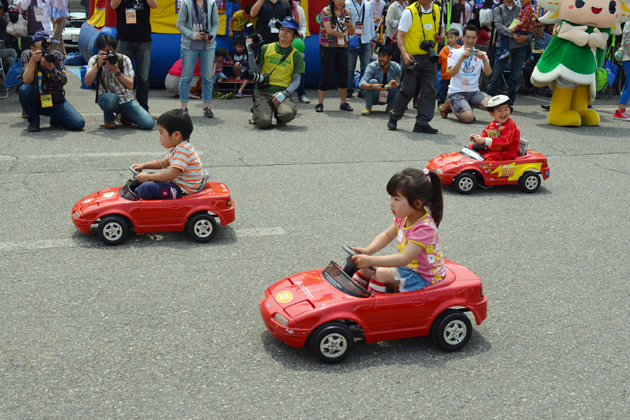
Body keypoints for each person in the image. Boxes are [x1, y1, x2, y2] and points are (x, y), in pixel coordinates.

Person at [350, 167, 445, 295]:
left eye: (396, 199)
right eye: (391, 198)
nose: (391, 203)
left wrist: (371, 260)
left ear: (417, 203)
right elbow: (386, 236)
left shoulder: (424, 228)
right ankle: (350, 297)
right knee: (365, 269)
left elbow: (403, 258)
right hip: (408, 269)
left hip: (424, 278)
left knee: (380, 274)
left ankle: (372, 309)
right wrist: (368, 251)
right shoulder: (404, 218)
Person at [387, 0, 445, 133]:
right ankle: (394, 117)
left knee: (429, 89)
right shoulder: (409, 12)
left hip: (430, 55)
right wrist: (405, 54)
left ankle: (422, 123)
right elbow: (400, 36)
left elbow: (441, 27)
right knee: (407, 89)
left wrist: (441, 36)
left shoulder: (437, 10)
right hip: (411, 56)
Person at [84, 35, 155, 130]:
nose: (107, 54)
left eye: (109, 51)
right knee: (111, 97)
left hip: (125, 99)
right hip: (106, 98)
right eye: (103, 51)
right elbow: (87, 82)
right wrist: (98, 65)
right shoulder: (94, 60)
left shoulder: (123, 59)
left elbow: (130, 85)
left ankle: (124, 115)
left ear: (115, 49)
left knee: (149, 123)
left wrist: (116, 71)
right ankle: (109, 119)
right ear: (98, 51)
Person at [19, 31, 84, 132]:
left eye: (48, 48)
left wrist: (51, 67)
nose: (46, 51)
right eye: (42, 49)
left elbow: (63, 80)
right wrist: (33, 62)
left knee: (78, 124)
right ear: (33, 49)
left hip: (55, 100)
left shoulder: (56, 56)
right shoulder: (27, 55)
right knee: (24, 89)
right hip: (36, 100)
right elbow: (26, 81)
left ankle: (56, 118)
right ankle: (34, 121)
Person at [132, 109, 204, 200]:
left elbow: (171, 175)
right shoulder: (178, 147)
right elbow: (163, 162)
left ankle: (134, 204)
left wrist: (148, 177)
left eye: (161, 133)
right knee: (147, 177)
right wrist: (143, 165)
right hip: (177, 184)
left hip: (182, 191)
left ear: (177, 135)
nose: (159, 136)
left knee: (146, 187)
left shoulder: (183, 150)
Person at [247, 17, 305, 128]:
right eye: (282, 29)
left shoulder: (296, 55)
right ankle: (257, 111)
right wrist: (250, 52)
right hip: (263, 92)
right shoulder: (266, 48)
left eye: (289, 31)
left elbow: (296, 80)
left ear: (294, 36)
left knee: (287, 115)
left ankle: (279, 114)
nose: (284, 32)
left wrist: (284, 93)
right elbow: (256, 71)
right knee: (263, 123)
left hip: (282, 93)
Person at [111, 0, 158, 116]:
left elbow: (154, 5)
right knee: (122, 75)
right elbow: (113, 5)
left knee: (143, 78)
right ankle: (121, 110)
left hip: (144, 41)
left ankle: (143, 110)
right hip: (125, 39)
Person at [176, 0, 220, 118]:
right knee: (186, 77)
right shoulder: (186, 3)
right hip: (189, 45)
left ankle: (207, 106)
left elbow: (216, 24)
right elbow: (179, 24)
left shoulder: (211, 3)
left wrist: (211, 35)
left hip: (208, 46)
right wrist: (192, 35)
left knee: (207, 77)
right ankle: (184, 106)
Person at [439, 25, 491, 123]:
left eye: (473, 37)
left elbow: (488, 73)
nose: (470, 40)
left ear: (477, 38)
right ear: (463, 37)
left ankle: (465, 105)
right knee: (468, 118)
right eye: (468, 37)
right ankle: (451, 104)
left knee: (494, 105)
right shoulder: (454, 53)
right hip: (457, 92)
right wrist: (461, 59)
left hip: (474, 92)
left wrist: (484, 59)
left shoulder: (481, 54)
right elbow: (452, 74)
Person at [485, 0, 531, 105]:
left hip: (520, 46)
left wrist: (526, 37)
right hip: (502, 47)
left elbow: (531, 27)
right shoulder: (498, 9)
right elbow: (498, 26)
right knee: (495, 75)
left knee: (516, 78)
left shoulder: (522, 8)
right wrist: (512, 35)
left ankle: (509, 104)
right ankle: (488, 102)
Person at [316, 0, 354, 112]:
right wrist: (343, 34)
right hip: (327, 46)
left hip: (342, 47)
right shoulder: (326, 11)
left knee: (343, 74)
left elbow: (351, 32)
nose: (341, 2)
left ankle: (343, 102)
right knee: (327, 74)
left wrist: (350, 26)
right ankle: (320, 103)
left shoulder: (347, 12)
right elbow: (329, 31)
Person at [468, 95, 520, 160]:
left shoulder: (510, 125)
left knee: (486, 158)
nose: (503, 113)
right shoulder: (492, 124)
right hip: (494, 150)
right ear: (492, 113)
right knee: (471, 148)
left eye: (506, 110)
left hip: (506, 153)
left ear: (510, 110)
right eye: (499, 110)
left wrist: (485, 140)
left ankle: (476, 169)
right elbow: (485, 136)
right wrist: (478, 138)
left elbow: (505, 141)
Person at [359, 44, 401, 115]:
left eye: (383, 56)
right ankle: (368, 107)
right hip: (374, 96)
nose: (380, 59)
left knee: (397, 86)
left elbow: (406, 82)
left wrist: (398, 84)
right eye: (379, 56)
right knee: (373, 81)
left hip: (388, 95)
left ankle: (390, 107)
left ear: (390, 57)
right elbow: (361, 84)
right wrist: (373, 86)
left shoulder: (396, 66)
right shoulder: (372, 66)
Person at [345, 0, 374, 98]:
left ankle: (362, 90)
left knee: (365, 67)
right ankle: (349, 89)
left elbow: (370, 21)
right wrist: (346, 38)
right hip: (352, 39)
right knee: (350, 67)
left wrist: (372, 38)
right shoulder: (347, 3)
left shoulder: (367, 4)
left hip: (366, 39)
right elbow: (345, 21)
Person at [437, 28, 460, 108]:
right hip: (445, 75)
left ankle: (453, 106)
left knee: (455, 92)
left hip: (456, 76)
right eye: (448, 37)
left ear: (457, 37)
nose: (449, 39)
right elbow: (438, 60)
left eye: (451, 37)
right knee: (443, 90)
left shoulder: (460, 49)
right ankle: (441, 104)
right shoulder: (444, 49)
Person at [614, 22, 630, 121]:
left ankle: (621, 109)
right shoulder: (629, 23)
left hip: (628, 58)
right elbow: (628, 42)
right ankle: (619, 111)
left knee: (628, 84)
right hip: (628, 58)